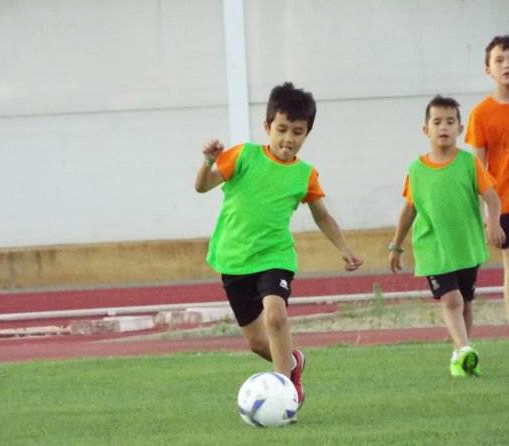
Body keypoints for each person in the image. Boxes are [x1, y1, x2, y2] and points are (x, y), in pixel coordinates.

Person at [194, 82, 363, 409]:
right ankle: (293, 363)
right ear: (267, 127)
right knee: (257, 342)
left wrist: (343, 248)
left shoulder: (305, 174)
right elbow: (202, 186)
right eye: (282, 129)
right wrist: (207, 161)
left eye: (297, 132)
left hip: (275, 257)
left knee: (275, 316)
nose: (288, 138)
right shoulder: (243, 155)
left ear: (306, 134)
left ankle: (284, 394)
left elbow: (322, 216)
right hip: (233, 259)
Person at [389, 95, 505, 378]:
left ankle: (460, 353)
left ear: (459, 129)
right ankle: (465, 349)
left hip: (465, 245)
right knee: (451, 300)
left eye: (450, 122)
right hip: (433, 248)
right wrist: (396, 245)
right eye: (437, 121)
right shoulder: (416, 170)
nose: (444, 127)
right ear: (425, 130)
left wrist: (493, 223)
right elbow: (409, 210)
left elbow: (492, 198)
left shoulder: (469, 163)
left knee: (465, 302)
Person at [465, 35, 509, 322]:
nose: (506, 65)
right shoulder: (481, 114)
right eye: (500, 60)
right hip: (504, 204)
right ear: (488, 70)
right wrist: (487, 218)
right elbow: (478, 171)